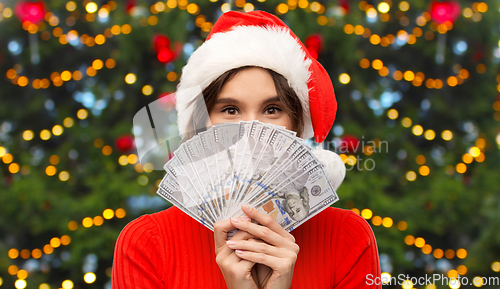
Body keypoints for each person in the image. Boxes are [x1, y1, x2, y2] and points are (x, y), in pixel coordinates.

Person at [112, 10, 381, 289]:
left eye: (272, 109)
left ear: (298, 125)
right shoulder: (145, 242)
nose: (253, 131)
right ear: (201, 125)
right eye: (230, 109)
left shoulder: (347, 237)